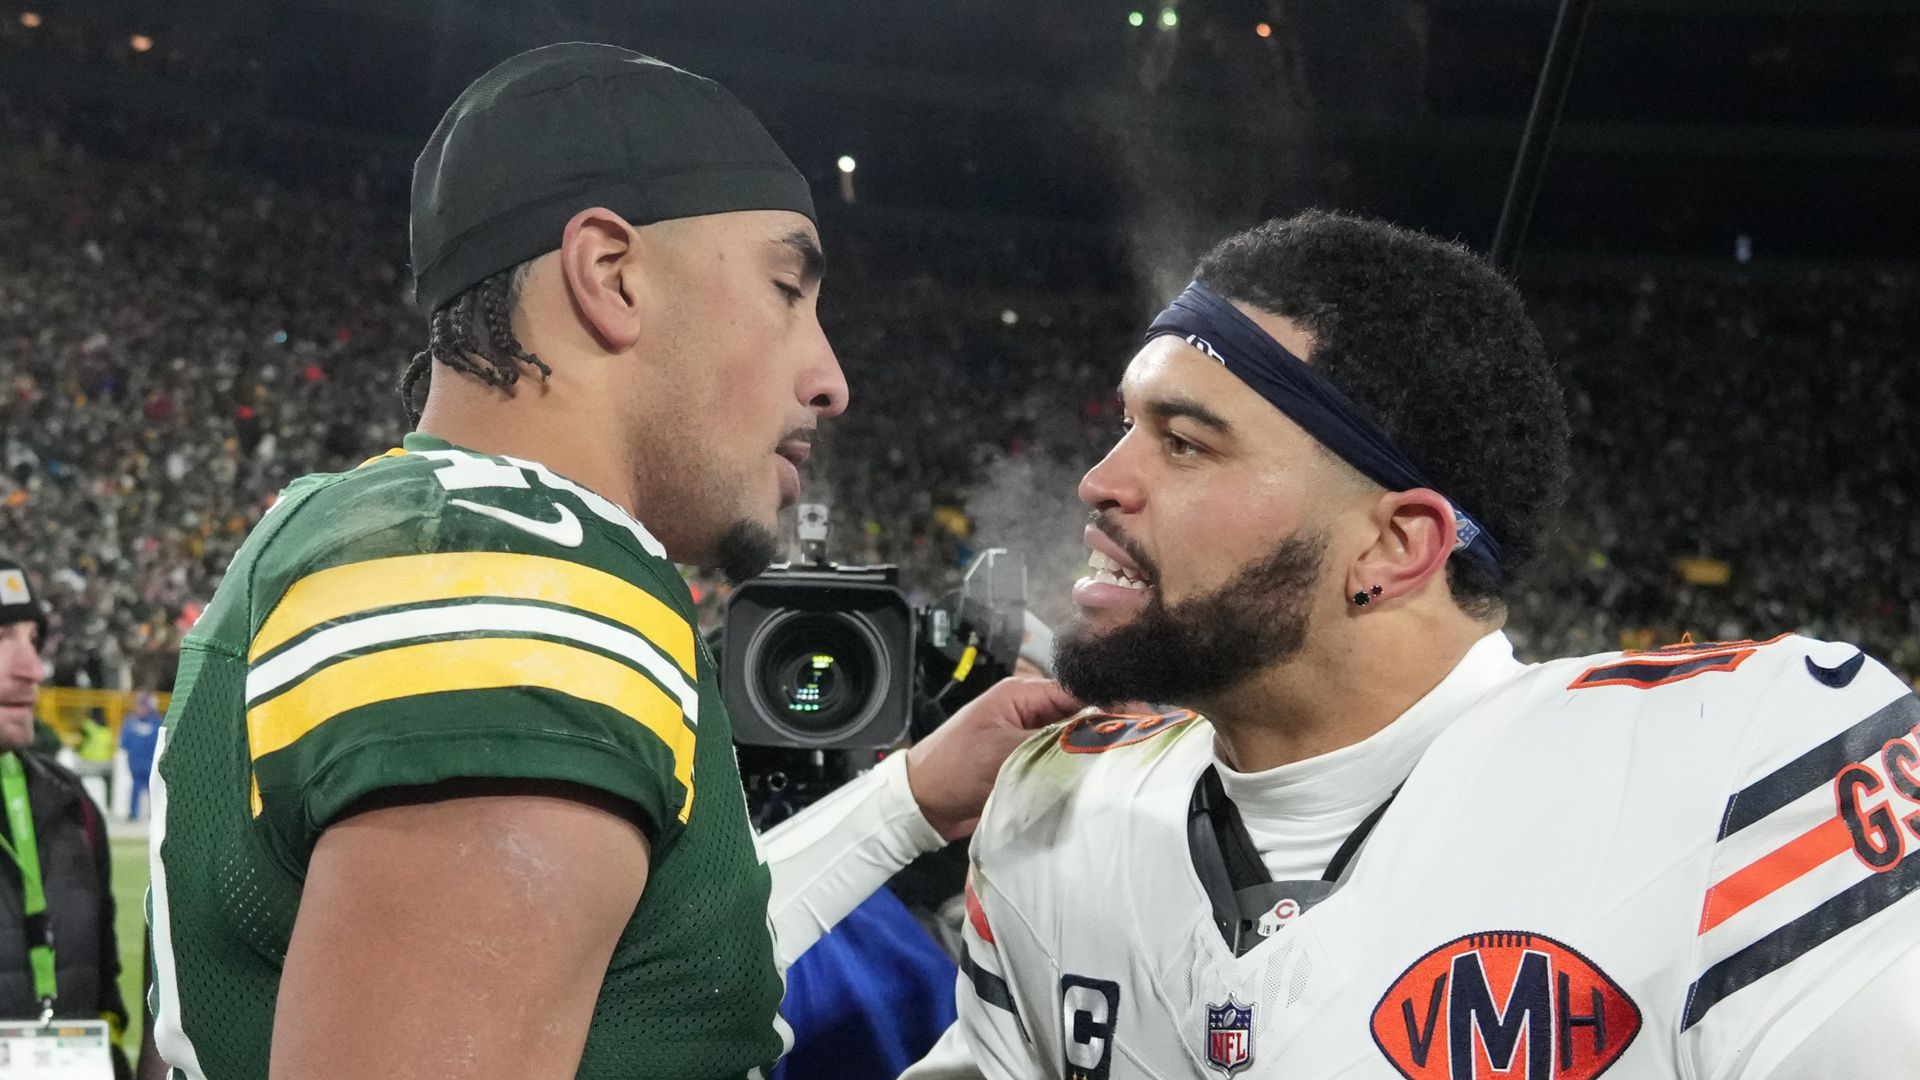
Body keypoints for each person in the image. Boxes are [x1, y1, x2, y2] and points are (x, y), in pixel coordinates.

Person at [148, 44, 1077, 1080]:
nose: (830, 378)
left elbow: (639, 976)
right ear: (610, 275)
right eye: (787, 289)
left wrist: (907, 800)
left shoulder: (394, 529)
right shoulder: (519, 581)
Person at [907, 211, 1920, 1078]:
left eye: (1184, 442)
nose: (1100, 481)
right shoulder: (1055, 804)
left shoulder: (1741, 771)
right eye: (1127, 426)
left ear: (1396, 547)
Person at [0, 555, 132, 1079]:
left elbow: (104, 994)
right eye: (2, 637)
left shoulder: (70, 803)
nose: (33, 669)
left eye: (33, 641)